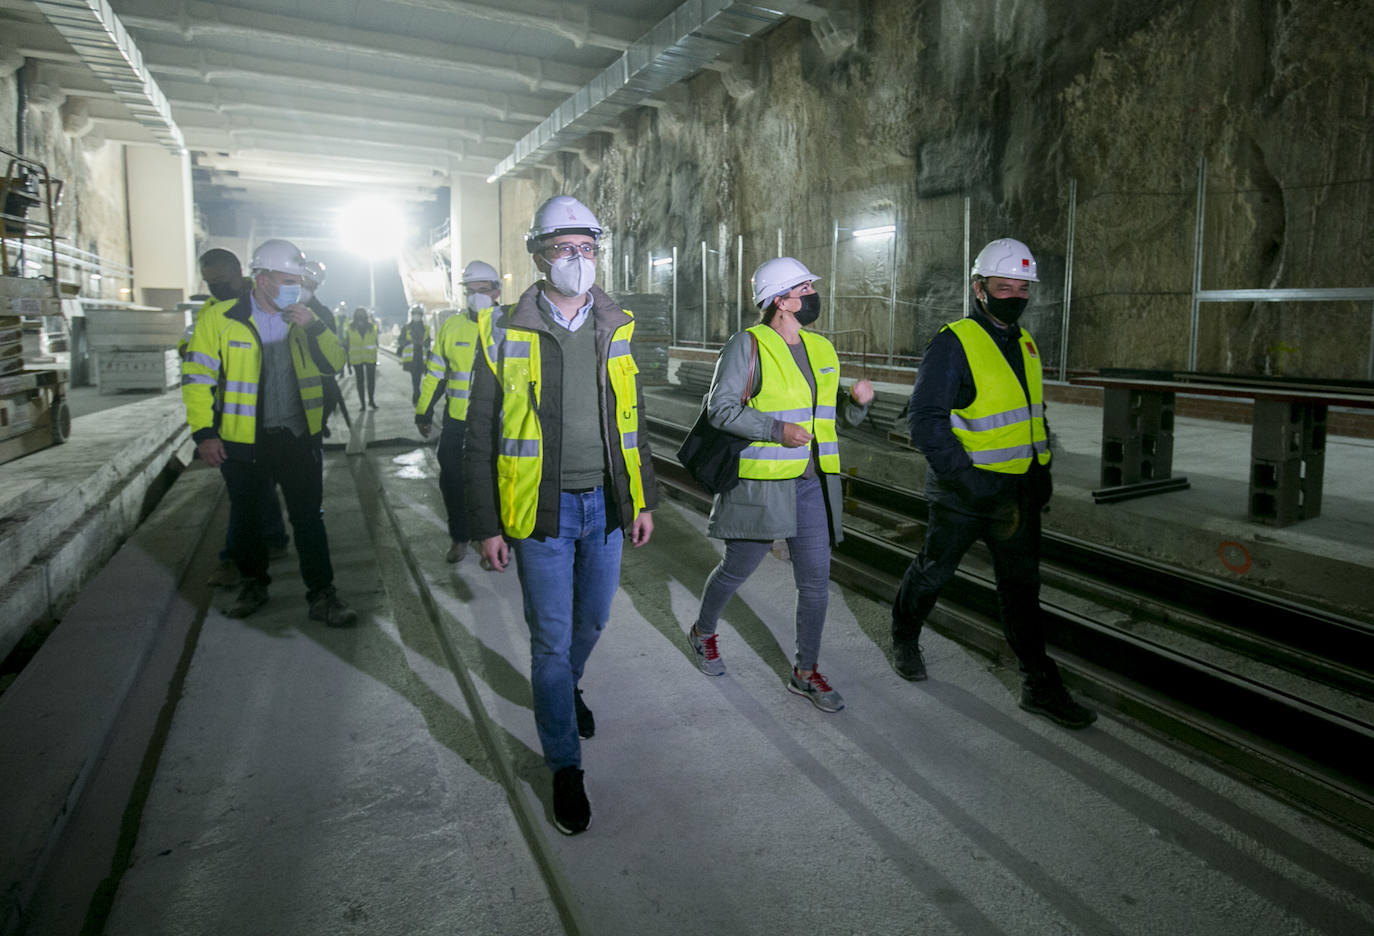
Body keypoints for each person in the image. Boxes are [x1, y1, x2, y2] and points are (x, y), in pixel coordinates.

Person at [465, 195, 657, 836]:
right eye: (564, 248)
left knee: (595, 618)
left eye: (588, 247)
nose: (578, 259)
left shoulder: (617, 324)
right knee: (548, 640)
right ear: (538, 255)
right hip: (536, 512)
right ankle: (565, 768)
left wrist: (641, 497)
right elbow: (480, 433)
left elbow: (633, 421)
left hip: (604, 504)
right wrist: (486, 523)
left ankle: (567, 687)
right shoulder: (504, 331)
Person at [889, 237, 1095, 728]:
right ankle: (904, 635)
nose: (1015, 296)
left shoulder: (1024, 343)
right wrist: (967, 481)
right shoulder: (953, 342)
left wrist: (1040, 468)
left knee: (1021, 591)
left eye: (1023, 288)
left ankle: (1039, 686)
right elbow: (926, 421)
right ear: (979, 289)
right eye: (1004, 286)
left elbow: (1030, 412)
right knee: (934, 571)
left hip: (1017, 493)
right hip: (964, 494)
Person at [684, 257, 873, 713]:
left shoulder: (821, 349)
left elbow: (830, 417)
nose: (812, 294)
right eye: (804, 287)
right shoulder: (747, 346)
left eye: (810, 286)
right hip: (763, 484)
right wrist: (775, 431)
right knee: (736, 569)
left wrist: (859, 405)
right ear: (780, 300)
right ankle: (702, 632)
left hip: (812, 482)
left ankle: (804, 673)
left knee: (814, 583)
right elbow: (721, 410)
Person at [181, 238, 358, 627]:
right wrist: (204, 433)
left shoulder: (306, 315)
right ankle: (253, 585)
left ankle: (322, 595)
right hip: (243, 441)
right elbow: (196, 379)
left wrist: (314, 328)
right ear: (261, 279)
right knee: (247, 520)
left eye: (299, 278)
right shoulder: (221, 318)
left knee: (309, 519)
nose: (296, 285)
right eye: (287, 278)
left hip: (298, 437)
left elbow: (336, 362)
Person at [185, 249, 289, 588]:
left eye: (222, 280)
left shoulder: (268, 300)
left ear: (239, 272)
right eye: (210, 282)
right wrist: (204, 432)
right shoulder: (211, 313)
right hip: (232, 423)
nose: (216, 287)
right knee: (244, 495)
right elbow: (196, 370)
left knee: (262, 487)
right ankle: (239, 560)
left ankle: (270, 539)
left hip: (276, 422)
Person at [416, 261, 502, 563]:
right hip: (457, 422)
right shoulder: (451, 327)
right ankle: (460, 537)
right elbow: (435, 374)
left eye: (484, 289)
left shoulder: (510, 327)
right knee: (452, 480)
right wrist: (423, 412)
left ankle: (495, 541)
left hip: (496, 424)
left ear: (497, 291)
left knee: (495, 483)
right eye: (471, 290)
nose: (476, 296)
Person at [301, 260, 348, 438]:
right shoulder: (276, 307)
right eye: (303, 283)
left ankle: (320, 424)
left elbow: (332, 345)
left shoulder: (322, 312)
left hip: (318, 369)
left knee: (329, 398)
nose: (306, 289)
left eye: (312, 287)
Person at [345, 307, 379, 409]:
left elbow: (376, 342)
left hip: (370, 358)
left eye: (362, 315)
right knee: (360, 382)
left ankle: (371, 401)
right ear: (355, 317)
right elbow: (347, 345)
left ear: (365, 316)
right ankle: (362, 404)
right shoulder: (350, 328)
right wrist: (348, 363)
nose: (360, 317)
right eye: (358, 315)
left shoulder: (372, 327)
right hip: (357, 358)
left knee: (371, 381)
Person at [397, 305, 430, 404]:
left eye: (418, 314)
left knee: (418, 377)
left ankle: (416, 393)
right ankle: (416, 393)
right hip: (411, 357)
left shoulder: (426, 328)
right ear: (412, 315)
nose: (417, 316)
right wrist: (407, 342)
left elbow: (428, 342)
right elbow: (400, 340)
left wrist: (426, 345)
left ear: (421, 315)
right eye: (415, 314)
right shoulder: (406, 327)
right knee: (415, 377)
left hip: (421, 356)